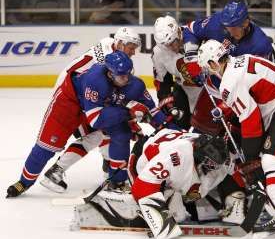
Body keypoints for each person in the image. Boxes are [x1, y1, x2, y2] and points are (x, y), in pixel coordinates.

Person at [6, 51, 176, 198]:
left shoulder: (134, 83)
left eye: (128, 73)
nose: (126, 79)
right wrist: (129, 113)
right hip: (69, 103)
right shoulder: (96, 80)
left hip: (100, 107)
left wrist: (171, 131)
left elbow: (152, 110)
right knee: (48, 145)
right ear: (109, 73)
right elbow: (96, 120)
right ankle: (24, 182)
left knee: (121, 133)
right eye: (121, 75)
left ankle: (116, 182)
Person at [197, 39, 275, 239]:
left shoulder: (228, 81)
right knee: (270, 160)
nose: (210, 72)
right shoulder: (243, 59)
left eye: (208, 67)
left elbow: (251, 120)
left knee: (271, 160)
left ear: (212, 63)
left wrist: (249, 159)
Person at [38, 27, 142, 193]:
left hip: (83, 98)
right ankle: (56, 171)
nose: (134, 52)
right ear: (120, 43)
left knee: (105, 133)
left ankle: (110, 165)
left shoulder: (114, 55)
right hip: (75, 100)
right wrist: (127, 117)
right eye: (131, 48)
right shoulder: (106, 56)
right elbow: (105, 90)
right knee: (97, 135)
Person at [130, 129, 239, 239]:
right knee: (172, 216)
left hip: (164, 143)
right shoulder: (176, 156)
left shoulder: (203, 143)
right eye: (210, 163)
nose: (212, 167)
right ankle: (128, 208)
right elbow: (141, 186)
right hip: (143, 160)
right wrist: (162, 223)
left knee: (181, 211)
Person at [152, 15, 203, 130]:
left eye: (173, 42)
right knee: (174, 127)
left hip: (209, 91)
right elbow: (162, 82)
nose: (171, 48)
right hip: (184, 90)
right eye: (166, 45)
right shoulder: (159, 52)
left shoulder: (197, 35)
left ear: (179, 32)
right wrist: (166, 102)